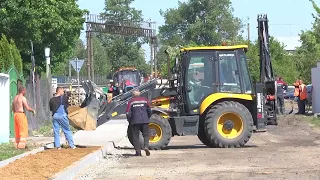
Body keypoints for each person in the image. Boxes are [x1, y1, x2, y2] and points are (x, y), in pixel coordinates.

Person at [126, 90, 152, 156]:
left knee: (135, 136)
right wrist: (147, 117)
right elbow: (149, 110)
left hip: (135, 121)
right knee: (146, 135)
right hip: (145, 120)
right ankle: (146, 146)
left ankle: (138, 152)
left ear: (133, 95)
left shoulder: (131, 101)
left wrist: (129, 120)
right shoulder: (145, 100)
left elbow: (128, 113)